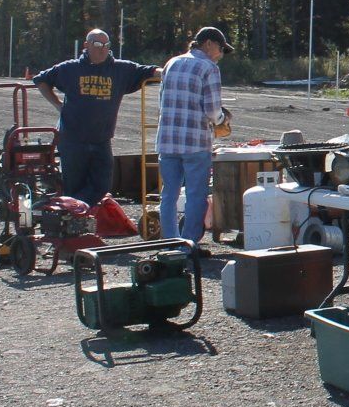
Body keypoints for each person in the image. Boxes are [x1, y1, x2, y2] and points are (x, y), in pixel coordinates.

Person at [33, 29, 158, 204]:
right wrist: (58, 105)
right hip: (73, 140)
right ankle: (72, 220)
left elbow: (149, 72)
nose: (103, 49)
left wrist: (171, 70)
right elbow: (41, 80)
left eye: (106, 45)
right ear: (86, 45)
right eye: (98, 44)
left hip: (101, 140)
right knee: (74, 185)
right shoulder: (70, 68)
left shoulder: (119, 69)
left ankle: (78, 210)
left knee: (102, 185)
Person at [155, 26, 231, 247]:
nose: (221, 55)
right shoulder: (209, 67)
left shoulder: (171, 63)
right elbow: (212, 110)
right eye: (221, 49)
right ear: (208, 44)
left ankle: (168, 242)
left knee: (169, 193)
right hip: (195, 141)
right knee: (196, 194)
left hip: (167, 139)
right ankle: (188, 244)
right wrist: (223, 119)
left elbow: (162, 101)